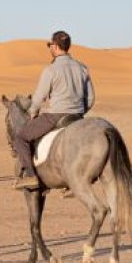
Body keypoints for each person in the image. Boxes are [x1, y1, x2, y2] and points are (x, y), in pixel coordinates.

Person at [13, 31, 95, 190]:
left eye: (51, 45)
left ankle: (30, 176)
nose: (50, 48)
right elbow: (90, 99)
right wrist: (79, 111)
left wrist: (33, 112)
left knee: (20, 138)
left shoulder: (51, 70)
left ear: (56, 47)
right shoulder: (82, 68)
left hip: (55, 116)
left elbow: (38, 98)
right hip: (77, 117)